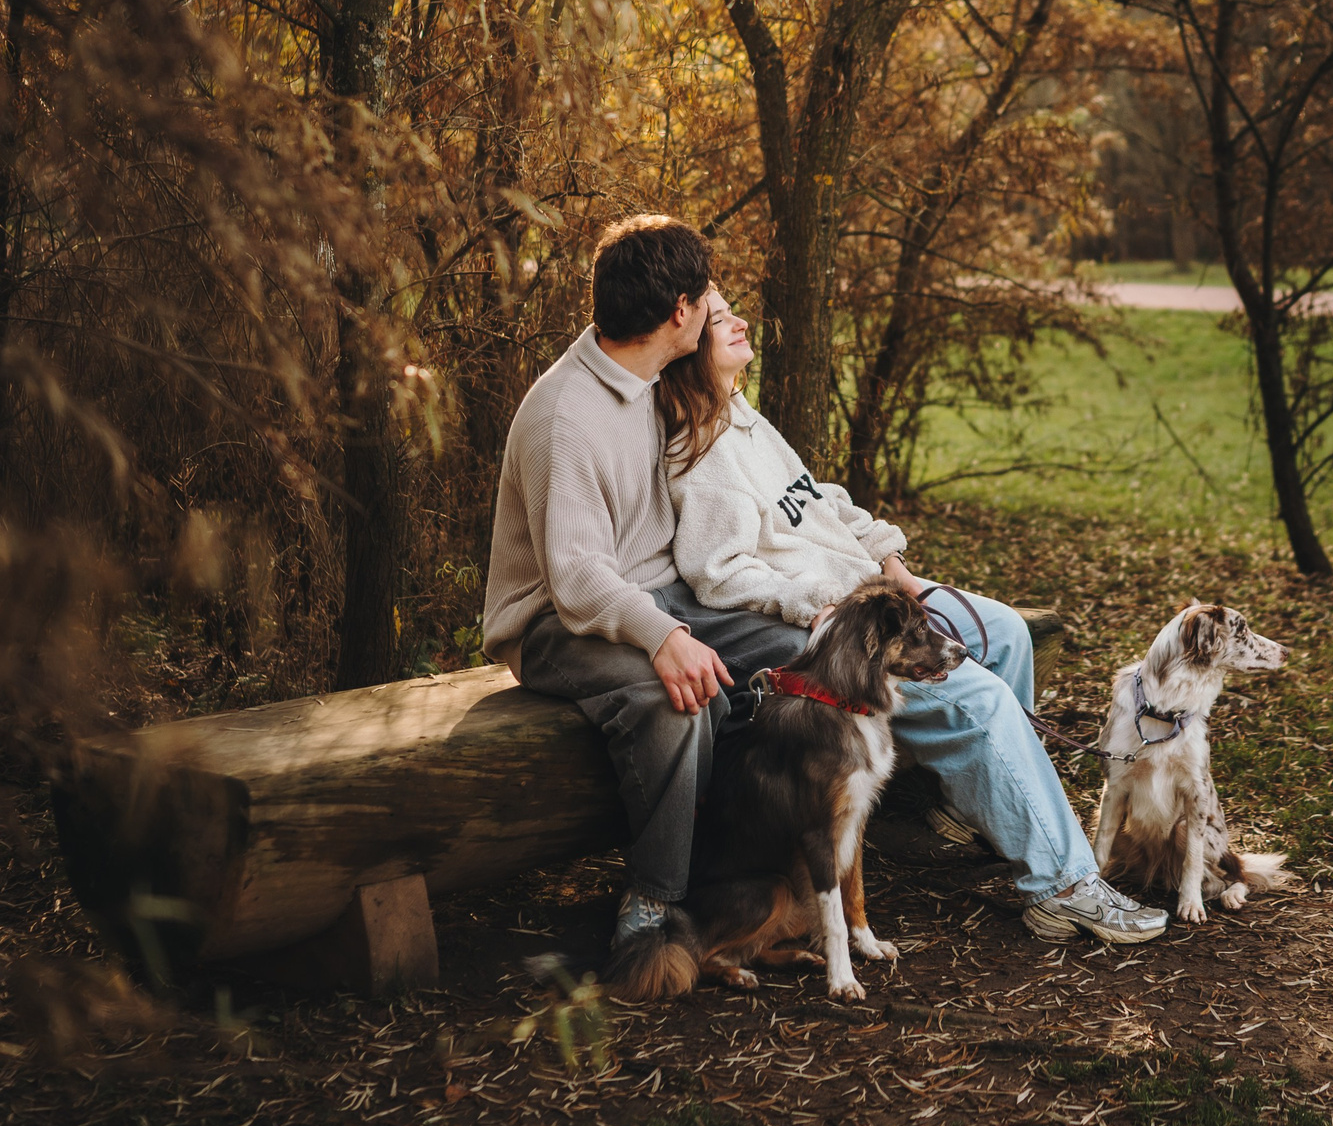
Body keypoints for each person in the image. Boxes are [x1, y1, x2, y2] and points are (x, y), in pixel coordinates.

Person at [655, 287, 1167, 947]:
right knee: (977, 698)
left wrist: (893, 566)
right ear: (689, 342)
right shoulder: (699, 453)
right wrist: (819, 603)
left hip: (872, 594)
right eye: (719, 318)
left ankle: (967, 812)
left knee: (1008, 633)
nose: (740, 320)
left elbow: (824, 503)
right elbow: (716, 572)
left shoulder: (746, 420)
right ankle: (1062, 886)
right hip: (836, 628)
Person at [481, 217, 809, 986]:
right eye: (707, 303)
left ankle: (746, 887)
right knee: (677, 700)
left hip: (658, 592)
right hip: (551, 622)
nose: (711, 314)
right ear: (679, 313)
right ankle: (654, 908)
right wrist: (664, 637)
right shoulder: (569, 418)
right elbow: (576, 579)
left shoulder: (649, 375)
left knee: (804, 661)